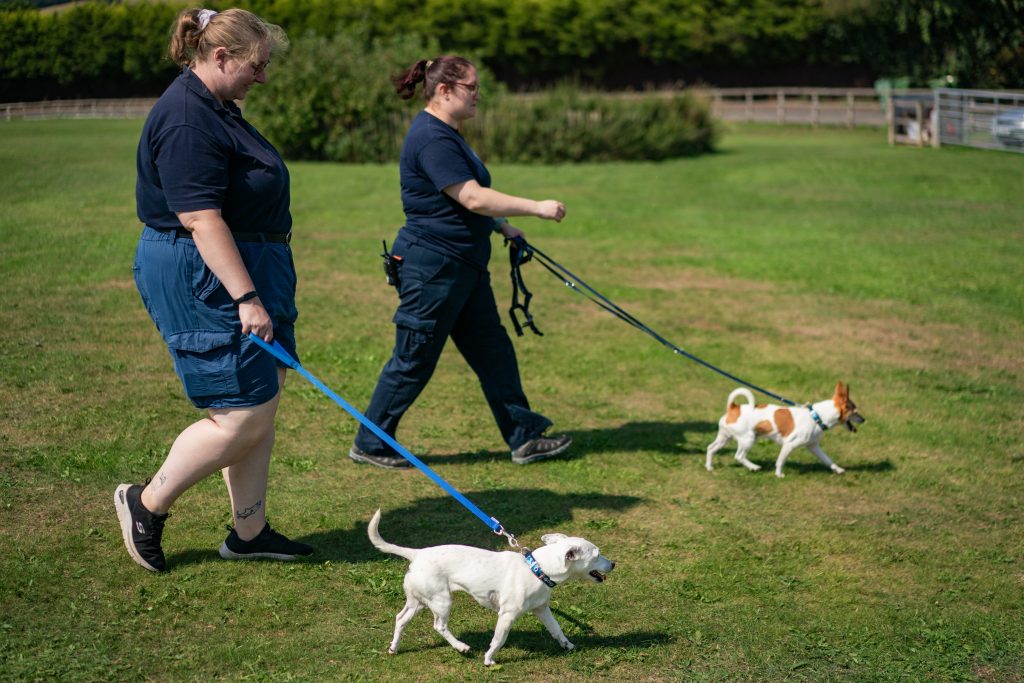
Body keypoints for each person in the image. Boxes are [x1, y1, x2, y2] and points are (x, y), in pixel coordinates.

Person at [114, 7, 312, 572]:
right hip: (202, 270)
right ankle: (145, 503)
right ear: (220, 56)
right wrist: (246, 297)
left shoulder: (218, 106)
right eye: (256, 65)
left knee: (262, 399)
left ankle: (249, 531)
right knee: (241, 413)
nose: (263, 77)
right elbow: (201, 218)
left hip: (249, 261)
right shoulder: (185, 118)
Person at [348, 56, 572, 469]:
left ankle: (523, 436)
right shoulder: (432, 138)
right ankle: (371, 441)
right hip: (433, 269)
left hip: (462, 268)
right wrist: (536, 208)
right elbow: (470, 197)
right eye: (472, 87)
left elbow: (460, 202)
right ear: (444, 90)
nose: (478, 96)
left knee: (493, 352)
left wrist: (503, 226)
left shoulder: (448, 134)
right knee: (414, 358)